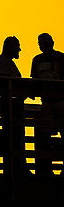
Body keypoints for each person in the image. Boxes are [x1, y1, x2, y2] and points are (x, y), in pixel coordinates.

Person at [30, 33, 64, 175]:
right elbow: (34, 79)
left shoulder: (61, 58)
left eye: (45, 43)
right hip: (46, 102)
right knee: (45, 135)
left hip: (61, 100)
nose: (44, 45)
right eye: (42, 43)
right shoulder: (37, 60)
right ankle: (46, 168)